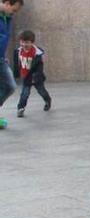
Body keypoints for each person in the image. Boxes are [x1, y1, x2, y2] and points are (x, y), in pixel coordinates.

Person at [13, 29, 50, 118]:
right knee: (24, 94)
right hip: (26, 77)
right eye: (22, 42)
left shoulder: (37, 53)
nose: (24, 44)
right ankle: (20, 108)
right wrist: (16, 74)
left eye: (27, 42)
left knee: (42, 91)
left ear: (32, 42)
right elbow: (16, 63)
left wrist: (36, 77)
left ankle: (48, 100)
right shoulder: (18, 51)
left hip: (36, 77)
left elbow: (39, 67)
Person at [0, 0, 24, 130]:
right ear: (8, 3)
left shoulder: (6, 18)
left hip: (1, 59)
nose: (13, 13)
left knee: (10, 86)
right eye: (14, 10)